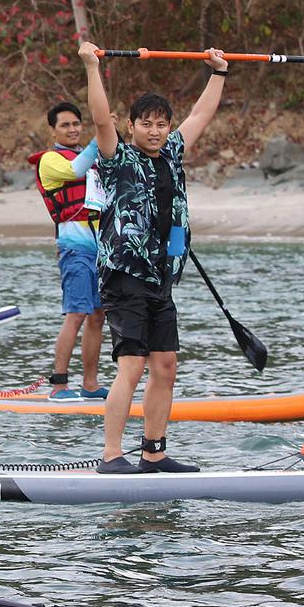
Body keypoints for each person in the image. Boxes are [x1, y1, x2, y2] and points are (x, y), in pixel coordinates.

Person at [79, 40, 229, 474]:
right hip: (124, 276)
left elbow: (200, 115)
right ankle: (111, 454)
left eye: (161, 124)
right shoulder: (117, 158)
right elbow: (99, 118)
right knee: (132, 365)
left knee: (165, 365)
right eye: (146, 124)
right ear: (131, 126)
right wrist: (92, 67)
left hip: (161, 278)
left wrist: (218, 72)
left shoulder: (173, 154)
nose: (155, 131)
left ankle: (154, 452)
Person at [27, 102, 108, 401]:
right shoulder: (50, 160)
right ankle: (59, 386)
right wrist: (102, 134)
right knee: (76, 315)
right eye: (65, 125)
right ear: (53, 130)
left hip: (101, 250)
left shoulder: (93, 157)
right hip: (75, 249)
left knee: (98, 316)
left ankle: (90, 385)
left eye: (76, 124)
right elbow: (75, 170)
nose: (72, 129)